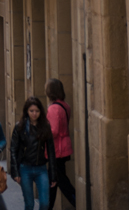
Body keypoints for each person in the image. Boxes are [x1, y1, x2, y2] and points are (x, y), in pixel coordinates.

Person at [10, 96, 57, 210]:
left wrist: (53, 175)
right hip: (25, 168)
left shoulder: (45, 126)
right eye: (31, 111)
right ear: (27, 111)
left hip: (41, 168)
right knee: (29, 204)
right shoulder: (19, 127)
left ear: (41, 112)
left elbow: (51, 151)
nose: (34, 114)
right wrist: (15, 172)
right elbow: (13, 149)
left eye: (37, 111)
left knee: (45, 203)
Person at [45, 79, 76, 209]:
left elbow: (54, 131)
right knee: (53, 181)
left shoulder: (53, 108)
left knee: (61, 182)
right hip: (63, 148)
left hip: (57, 150)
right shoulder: (65, 105)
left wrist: (42, 135)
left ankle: (77, 202)